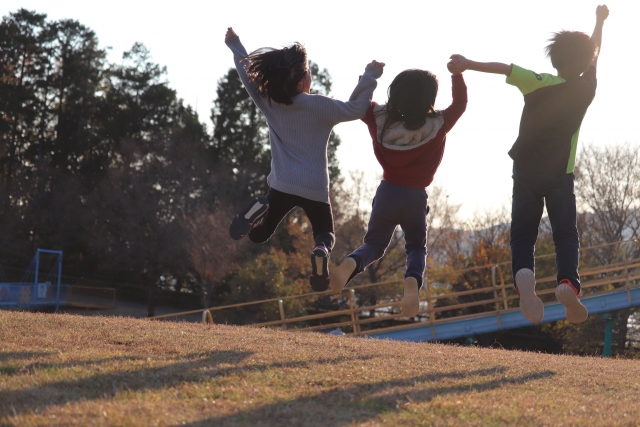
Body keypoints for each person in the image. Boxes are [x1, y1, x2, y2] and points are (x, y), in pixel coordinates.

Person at [447, 5, 609, 324]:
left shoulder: (538, 82)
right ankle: (567, 283)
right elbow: (595, 54)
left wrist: (466, 64)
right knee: (565, 234)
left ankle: (524, 276)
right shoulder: (586, 88)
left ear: (555, 58)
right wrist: (599, 22)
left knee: (523, 232)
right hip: (560, 176)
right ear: (586, 60)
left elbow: (505, 68)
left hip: (525, 172)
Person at [224, 28, 384, 292]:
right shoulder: (321, 106)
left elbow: (246, 74)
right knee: (325, 233)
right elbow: (356, 108)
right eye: (308, 70)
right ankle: (320, 250)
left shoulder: (270, 102)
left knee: (259, 235)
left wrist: (235, 44)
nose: (311, 74)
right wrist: (370, 77)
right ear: (301, 81)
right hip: (315, 189)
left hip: (282, 186)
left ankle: (255, 212)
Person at [329, 63, 467, 317]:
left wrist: (368, 76)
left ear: (395, 94)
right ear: (429, 98)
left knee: (374, 244)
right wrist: (457, 74)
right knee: (415, 247)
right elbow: (459, 104)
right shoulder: (438, 124)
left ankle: (353, 262)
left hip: (387, 192)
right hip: (415, 197)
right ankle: (412, 279)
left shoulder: (378, 118)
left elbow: (359, 101)